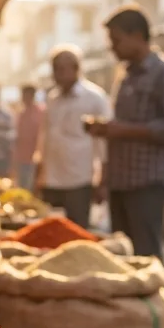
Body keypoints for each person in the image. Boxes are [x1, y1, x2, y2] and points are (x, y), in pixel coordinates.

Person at [87, 6, 164, 260]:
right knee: (124, 257)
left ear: (138, 36)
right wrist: (107, 130)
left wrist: (122, 130)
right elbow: (121, 124)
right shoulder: (126, 76)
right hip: (120, 181)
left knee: (146, 256)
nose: (112, 48)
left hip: (146, 183)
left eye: (117, 40)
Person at [38, 45, 110, 228]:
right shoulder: (52, 98)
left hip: (79, 179)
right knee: (53, 231)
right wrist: (39, 173)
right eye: (55, 69)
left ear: (76, 69)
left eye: (61, 69)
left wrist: (103, 180)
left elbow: (104, 144)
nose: (57, 74)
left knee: (76, 230)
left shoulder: (95, 98)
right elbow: (45, 137)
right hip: (52, 178)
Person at [13, 84, 43, 191]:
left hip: (35, 158)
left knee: (32, 188)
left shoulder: (41, 112)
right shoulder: (21, 113)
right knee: (21, 189)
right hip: (21, 158)